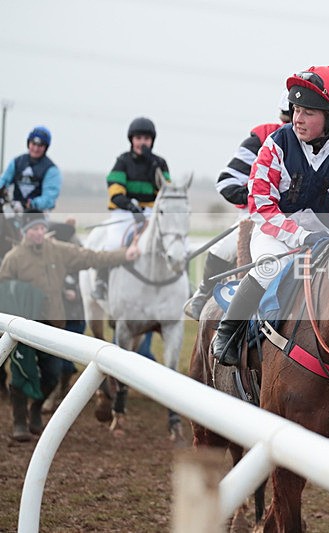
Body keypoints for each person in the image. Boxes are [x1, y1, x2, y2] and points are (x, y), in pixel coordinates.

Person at [212, 66, 329, 366]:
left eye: (308, 112)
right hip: (275, 234)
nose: (297, 118)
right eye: (296, 109)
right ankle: (228, 332)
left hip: (326, 240)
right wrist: (301, 235)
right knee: (269, 268)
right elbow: (261, 204)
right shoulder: (275, 145)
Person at [0, 209, 140, 441]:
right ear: (25, 231)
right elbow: (4, 291)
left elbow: (91, 257)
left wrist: (125, 254)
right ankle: (19, 422)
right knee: (21, 375)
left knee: (52, 375)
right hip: (21, 329)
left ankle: (36, 410)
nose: (39, 233)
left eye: (42, 228)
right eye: (34, 229)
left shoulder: (58, 250)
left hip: (52, 326)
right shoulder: (13, 258)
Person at [183, 90, 292, 320]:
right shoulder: (262, 138)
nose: (293, 126)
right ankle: (202, 294)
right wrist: (261, 197)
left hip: (298, 221)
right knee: (223, 249)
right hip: (257, 216)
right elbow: (227, 182)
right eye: (288, 119)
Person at [92, 117, 171, 300]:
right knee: (113, 243)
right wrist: (131, 207)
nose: (142, 142)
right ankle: (101, 281)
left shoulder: (160, 163)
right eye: (138, 138)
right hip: (125, 211)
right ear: (132, 140)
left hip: (151, 212)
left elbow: (166, 191)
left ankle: (180, 282)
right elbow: (115, 192)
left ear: (152, 141)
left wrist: (154, 166)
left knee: (174, 243)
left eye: (146, 139)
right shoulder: (123, 161)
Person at [0, 126, 62, 212]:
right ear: (28, 143)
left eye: (40, 146)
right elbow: (3, 180)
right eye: (33, 144)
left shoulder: (51, 170)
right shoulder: (17, 162)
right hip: (15, 210)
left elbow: (49, 199)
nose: (36, 149)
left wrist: (30, 204)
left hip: (38, 213)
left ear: (46, 147)